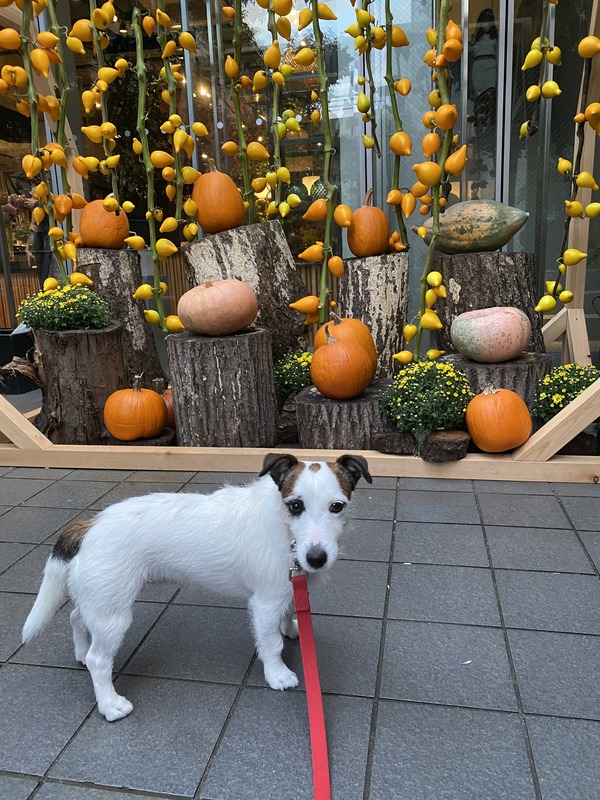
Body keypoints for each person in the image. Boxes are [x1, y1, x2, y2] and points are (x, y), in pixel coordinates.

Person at [468, 8, 498, 127]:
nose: (486, 24)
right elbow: (469, 50)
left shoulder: (495, 36)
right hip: (478, 66)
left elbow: (499, 52)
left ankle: (490, 121)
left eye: (488, 21)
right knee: (479, 95)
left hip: (491, 67)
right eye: (484, 21)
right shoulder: (476, 36)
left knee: (490, 95)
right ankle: (479, 120)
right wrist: (474, 37)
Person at [25, 197, 52, 288]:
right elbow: (33, 226)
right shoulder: (36, 206)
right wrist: (28, 246)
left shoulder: (48, 198)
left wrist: (37, 203)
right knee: (43, 274)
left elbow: (55, 206)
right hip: (41, 244)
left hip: (53, 241)